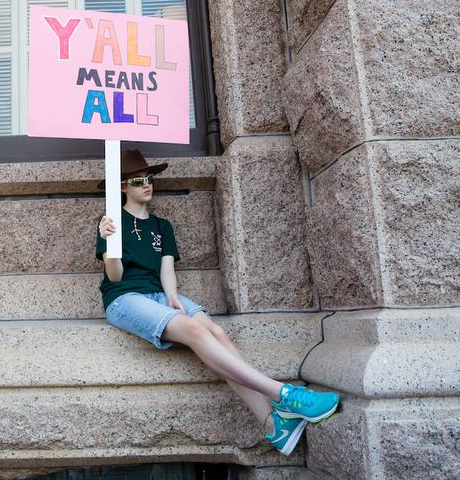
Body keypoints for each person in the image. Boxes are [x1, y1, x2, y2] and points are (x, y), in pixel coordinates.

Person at [95, 148, 339, 455]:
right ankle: (283, 394)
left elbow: (167, 271)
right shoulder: (110, 222)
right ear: (123, 187)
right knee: (195, 332)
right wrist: (109, 244)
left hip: (159, 294)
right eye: (139, 179)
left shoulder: (162, 226)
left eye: (150, 178)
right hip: (125, 299)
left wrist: (171, 295)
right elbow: (115, 276)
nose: (147, 184)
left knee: (218, 333)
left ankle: (272, 425)